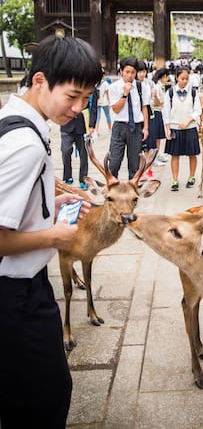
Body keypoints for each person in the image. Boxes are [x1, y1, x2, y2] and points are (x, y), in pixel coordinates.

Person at [0, 35, 102, 429]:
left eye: (86, 100)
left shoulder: (16, 121)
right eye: (72, 96)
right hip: (16, 296)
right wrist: (54, 236)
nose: (78, 109)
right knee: (45, 397)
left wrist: (47, 208)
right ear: (40, 80)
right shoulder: (26, 143)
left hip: (20, 290)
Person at [107, 57, 149, 180]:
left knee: (134, 164)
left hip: (135, 127)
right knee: (114, 162)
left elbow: (144, 108)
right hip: (119, 126)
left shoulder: (141, 87)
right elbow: (116, 109)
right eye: (127, 72)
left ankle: (132, 190)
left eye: (133, 72)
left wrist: (145, 128)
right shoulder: (114, 87)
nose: (130, 75)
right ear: (121, 71)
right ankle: (112, 187)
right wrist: (125, 93)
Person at [162, 67, 202, 192]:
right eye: (182, 78)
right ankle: (175, 179)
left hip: (190, 128)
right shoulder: (170, 92)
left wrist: (188, 120)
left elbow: (198, 110)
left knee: (192, 154)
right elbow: (166, 111)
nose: (184, 81)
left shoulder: (194, 92)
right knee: (175, 155)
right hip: (175, 127)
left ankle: (191, 177)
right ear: (176, 78)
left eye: (186, 79)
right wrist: (167, 128)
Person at [60, 112, 89, 190]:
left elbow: (92, 107)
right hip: (66, 125)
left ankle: (83, 180)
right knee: (65, 152)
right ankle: (67, 177)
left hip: (82, 126)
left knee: (84, 154)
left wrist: (92, 125)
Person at [149, 68, 170, 166]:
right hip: (156, 113)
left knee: (159, 137)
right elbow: (156, 102)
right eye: (166, 77)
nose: (167, 79)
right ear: (163, 77)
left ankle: (158, 154)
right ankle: (154, 158)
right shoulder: (157, 87)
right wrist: (161, 100)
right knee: (156, 136)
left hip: (159, 112)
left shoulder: (161, 87)